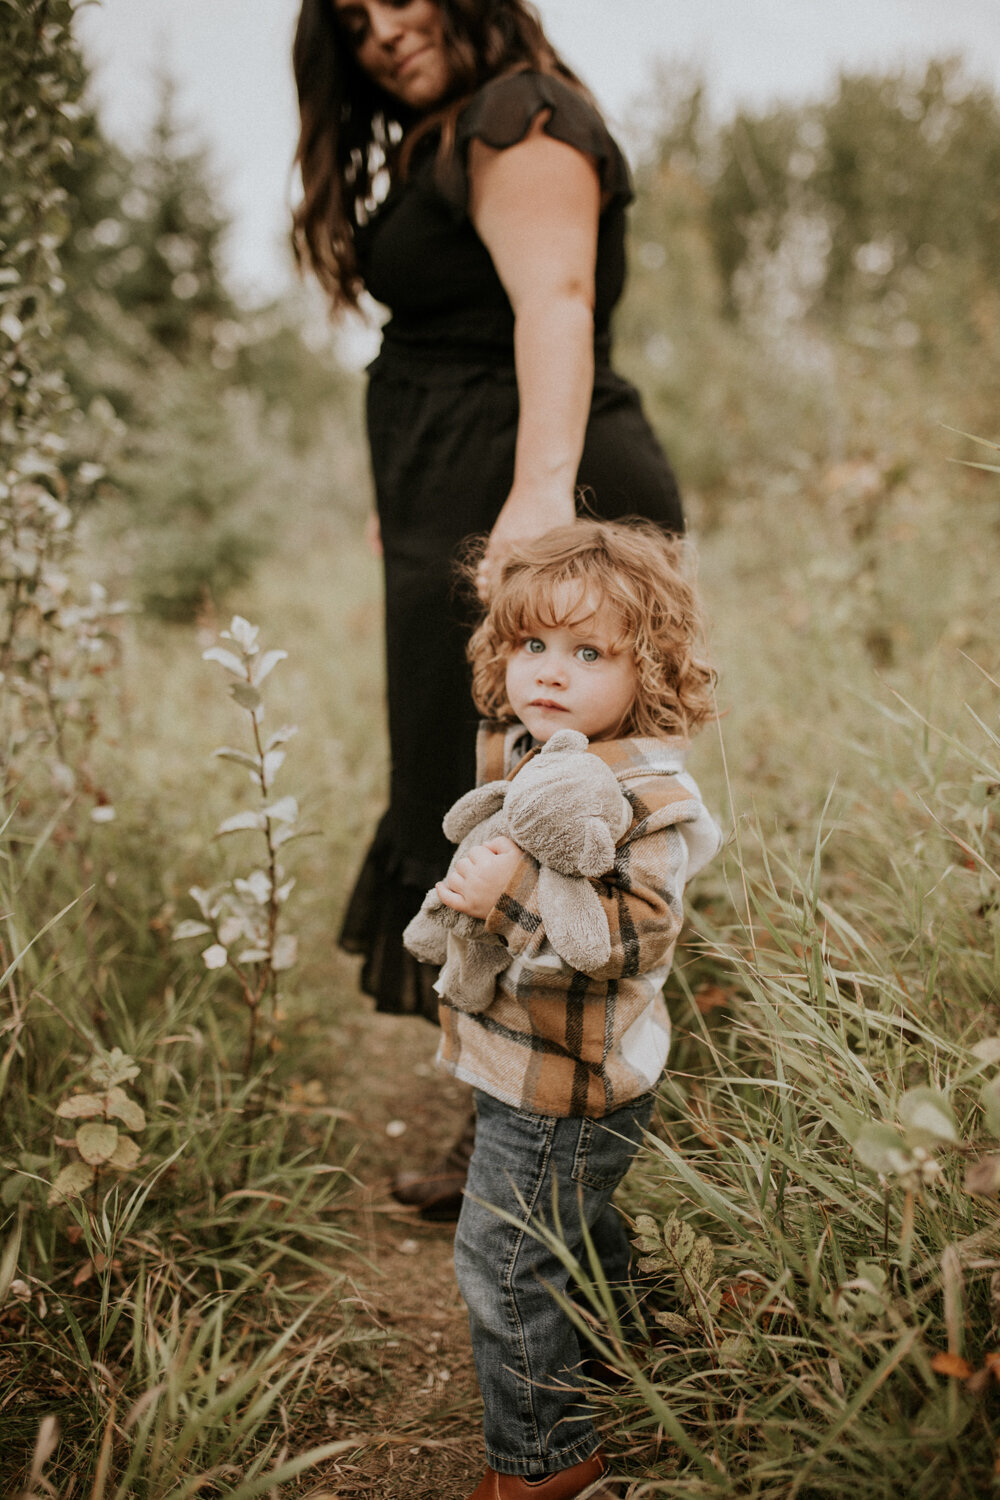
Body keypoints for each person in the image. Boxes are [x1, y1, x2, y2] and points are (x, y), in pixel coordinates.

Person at [292, 0, 685, 1217]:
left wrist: (533, 504)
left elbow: (555, 302)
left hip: (528, 521)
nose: (381, 29)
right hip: (458, 513)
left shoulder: (522, 116)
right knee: (481, 805)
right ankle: (511, 1136)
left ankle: (553, 1163)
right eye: (350, 18)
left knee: (562, 824)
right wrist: (402, 505)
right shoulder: (447, 133)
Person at [409, 519, 721, 1499]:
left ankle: (547, 1463)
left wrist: (504, 892)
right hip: (523, 1060)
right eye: (529, 645)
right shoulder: (530, 746)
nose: (549, 671)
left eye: (589, 653)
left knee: (504, 1258)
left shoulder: (647, 799)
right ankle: (621, 1347)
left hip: (568, 1078)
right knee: (573, 1226)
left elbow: (633, 936)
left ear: (652, 668)